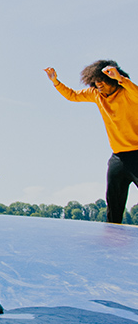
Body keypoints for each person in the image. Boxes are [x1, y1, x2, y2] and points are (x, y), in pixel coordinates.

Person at [44, 61, 138, 223]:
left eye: (102, 81)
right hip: (118, 157)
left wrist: (120, 78)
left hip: (136, 154)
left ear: (113, 80)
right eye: (95, 82)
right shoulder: (96, 94)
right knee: (113, 200)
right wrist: (56, 82)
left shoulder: (127, 92)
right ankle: (112, 235)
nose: (98, 85)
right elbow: (72, 95)